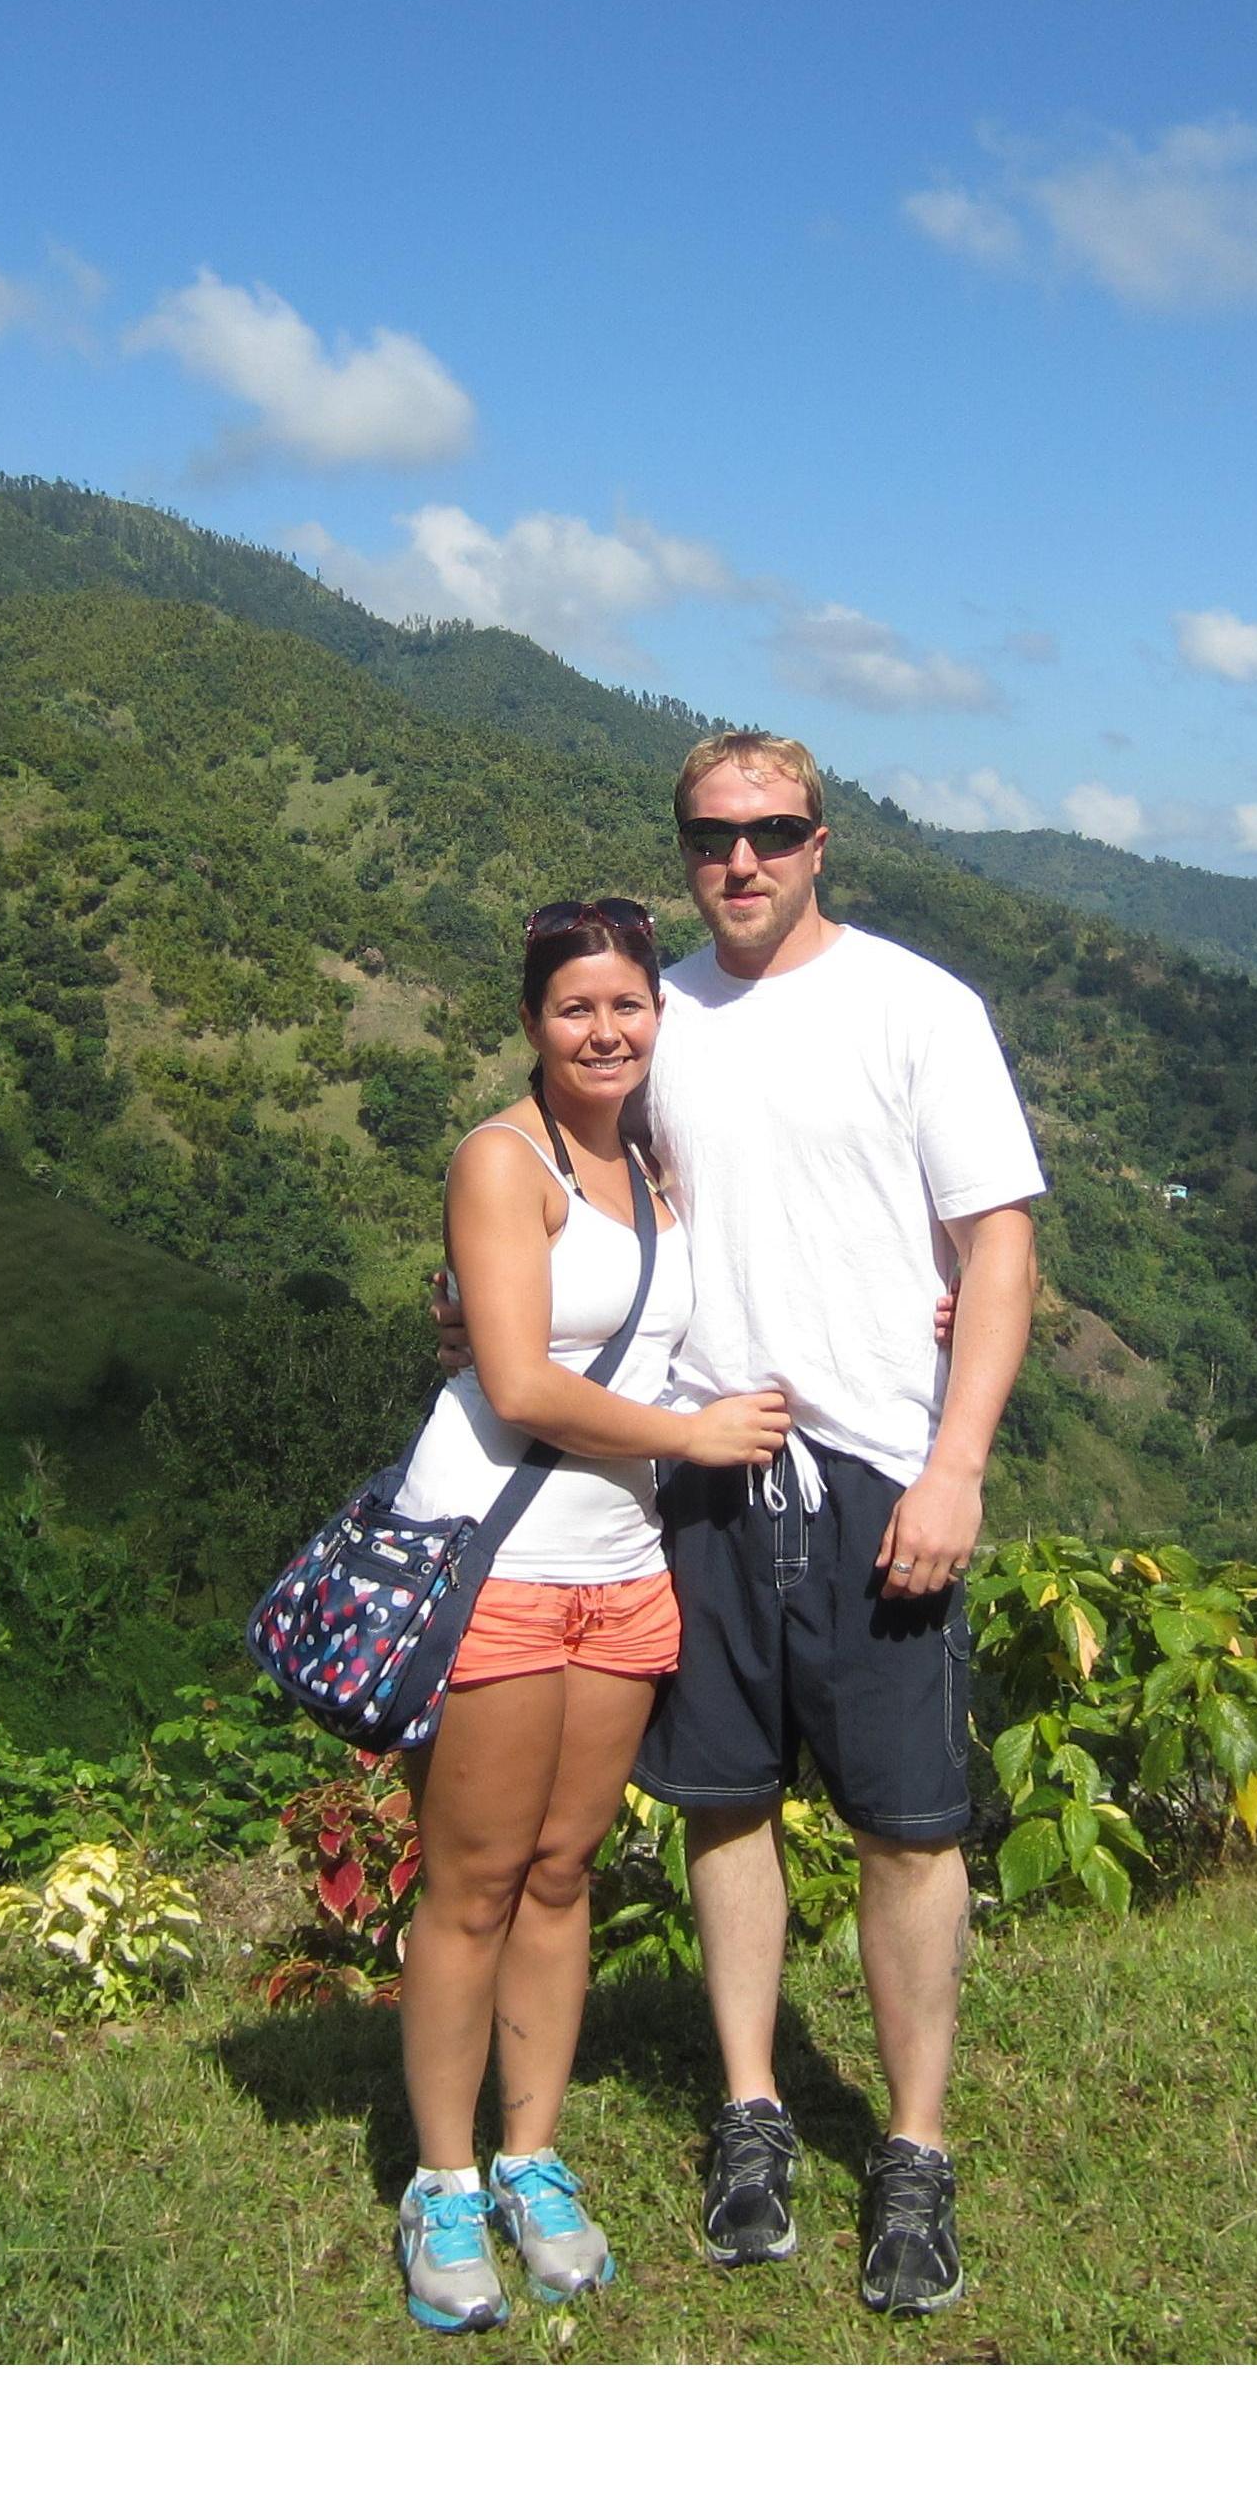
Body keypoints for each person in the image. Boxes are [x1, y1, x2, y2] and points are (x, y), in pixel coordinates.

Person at [634, 728, 1042, 2318]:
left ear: (823, 842)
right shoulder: (656, 1017)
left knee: (907, 1825)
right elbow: (583, 1204)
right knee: (722, 1801)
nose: (740, 861)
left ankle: (913, 2150)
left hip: (879, 1468)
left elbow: (995, 1247)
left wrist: (958, 1466)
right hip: (706, 1465)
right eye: (709, 837)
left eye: (772, 832)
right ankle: (750, 2110)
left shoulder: (917, 1009)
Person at [384, 894, 795, 2336]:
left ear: (655, 1016)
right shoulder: (506, 1165)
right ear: (532, 1022)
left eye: (628, 1004)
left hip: (622, 1570)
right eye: (575, 1008)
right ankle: (443, 2182)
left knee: (563, 1877)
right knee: (474, 1883)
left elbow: (694, 1327)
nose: (606, 1030)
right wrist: (693, 1441)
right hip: (498, 1563)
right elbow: (519, 1383)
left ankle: (532, 2155)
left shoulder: (661, 1174)